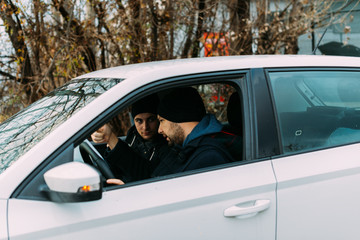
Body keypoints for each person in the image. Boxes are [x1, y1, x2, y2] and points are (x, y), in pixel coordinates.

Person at [107, 87, 234, 185]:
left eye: (161, 121)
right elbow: (156, 181)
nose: (160, 130)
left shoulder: (209, 158)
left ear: (177, 119)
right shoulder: (186, 148)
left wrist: (131, 193)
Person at [91, 94, 167, 183]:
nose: (145, 127)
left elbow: (146, 174)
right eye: (139, 121)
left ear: (158, 119)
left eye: (151, 120)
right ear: (134, 120)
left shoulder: (167, 142)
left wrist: (111, 138)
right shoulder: (133, 135)